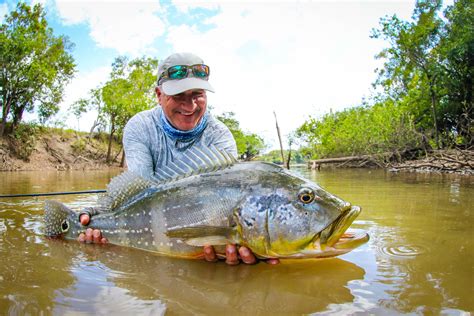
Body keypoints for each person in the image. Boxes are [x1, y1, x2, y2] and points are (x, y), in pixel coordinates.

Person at [77, 52, 279, 265]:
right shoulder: (141, 126)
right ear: (158, 94)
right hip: (152, 221)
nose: (189, 106)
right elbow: (139, 191)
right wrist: (101, 214)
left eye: (197, 94)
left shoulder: (220, 135)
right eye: (179, 95)